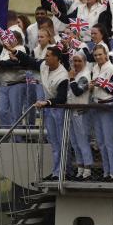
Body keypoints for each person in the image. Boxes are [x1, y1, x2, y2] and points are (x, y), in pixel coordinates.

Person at [36, 46, 69, 180]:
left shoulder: (63, 75)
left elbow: (61, 98)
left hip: (59, 109)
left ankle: (64, 171)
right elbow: (30, 61)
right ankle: (57, 171)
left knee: (62, 142)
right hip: (49, 109)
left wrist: (47, 102)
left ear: (56, 58)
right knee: (54, 142)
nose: (46, 57)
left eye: (49, 55)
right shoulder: (44, 64)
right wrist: (14, 52)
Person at [90, 46, 113, 180]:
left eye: (100, 54)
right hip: (97, 105)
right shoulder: (94, 68)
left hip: (108, 106)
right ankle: (106, 171)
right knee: (101, 142)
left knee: (109, 141)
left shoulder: (112, 69)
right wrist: (92, 86)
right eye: (95, 55)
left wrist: (101, 83)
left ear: (106, 55)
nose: (98, 57)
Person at [67, 50, 94, 180]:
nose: (76, 63)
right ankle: (80, 168)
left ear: (84, 62)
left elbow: (77, 91)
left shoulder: (85, 75)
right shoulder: (75, 74)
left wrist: (71, 79)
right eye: (74, 61)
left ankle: (87, 169)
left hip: (81, 112)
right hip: (72, 111)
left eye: (79, 61)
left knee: (82, 141)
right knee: (74, 142)